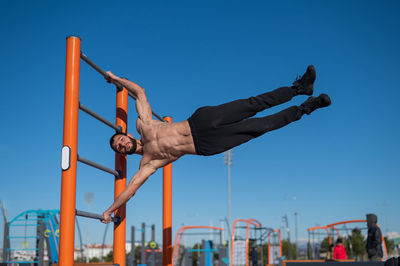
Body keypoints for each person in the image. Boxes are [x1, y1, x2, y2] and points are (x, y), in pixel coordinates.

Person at [101, 65, 331, 223]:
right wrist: (109, 210)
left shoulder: (144, 124)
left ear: (129, 135)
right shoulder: (148, 163)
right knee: (259, 127)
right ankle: (305, 108)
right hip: (206, 145)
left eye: (120, 139)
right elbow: (130, 191)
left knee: (252, 104)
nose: (121, 144)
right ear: (124, 153)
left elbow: (139, 92)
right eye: (118, 147)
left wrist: (116, 79)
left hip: (200, 121)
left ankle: (299, 88)